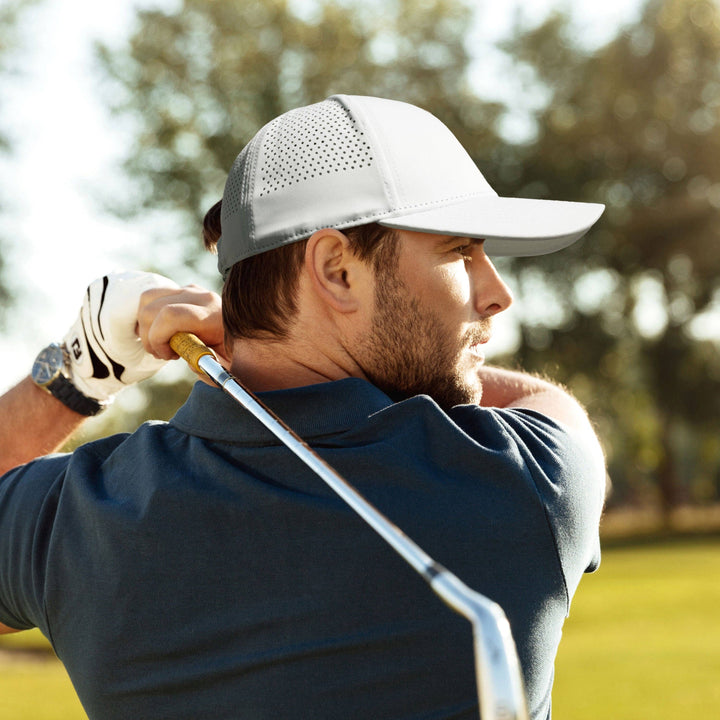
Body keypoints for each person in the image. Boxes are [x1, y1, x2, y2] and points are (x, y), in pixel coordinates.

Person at [0, 95, 606, 719]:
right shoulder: (527, 480)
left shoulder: (81, 514)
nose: (496, 293)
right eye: (459, 250)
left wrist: (79, 367)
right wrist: (247, 343)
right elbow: (549, 403)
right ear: (337, 270)